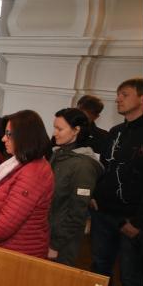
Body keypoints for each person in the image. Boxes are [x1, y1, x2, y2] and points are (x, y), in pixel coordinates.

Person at [90, 78, 143, 286]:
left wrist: (138, 222)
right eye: (118, 94)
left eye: (125, 94)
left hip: (131, 221)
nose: (118, 98)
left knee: (131, 277)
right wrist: (95, 195)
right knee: (100, 266)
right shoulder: (115, 131)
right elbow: (106, 169)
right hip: (103, 213)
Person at [0, 110, 54, 258]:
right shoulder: (19, 162)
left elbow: (6, 225)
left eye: (8, 134)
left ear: (24, 137)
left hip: (17, 253)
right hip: (4, 247)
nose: (3, 139)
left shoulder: (33, 172)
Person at [48, 108, 104, 266]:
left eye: (60, 129)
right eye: (54, 127)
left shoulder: (83, 165)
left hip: (62, 243)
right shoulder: (58, 154)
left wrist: (55, 245)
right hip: (47, 232)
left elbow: (77, 214)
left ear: (76, 130)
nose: (54, 133)